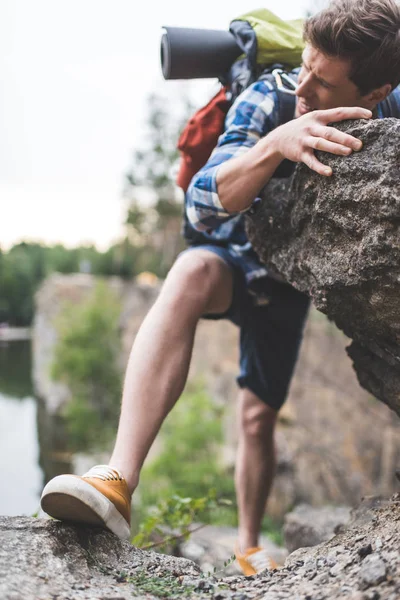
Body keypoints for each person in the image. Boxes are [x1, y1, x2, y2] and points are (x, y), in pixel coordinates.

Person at [41, 0, 400, 576]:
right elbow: (202, 205)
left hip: (286, 284)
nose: (302, 84)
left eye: (324, 81)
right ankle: (116, 481)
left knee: (258, 417)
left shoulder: (393, 108)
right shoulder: (271, 93)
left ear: (378, 91)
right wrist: (275, 142)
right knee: (187, 272)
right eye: (304, 64)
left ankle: (250, 547)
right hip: (230, 257)